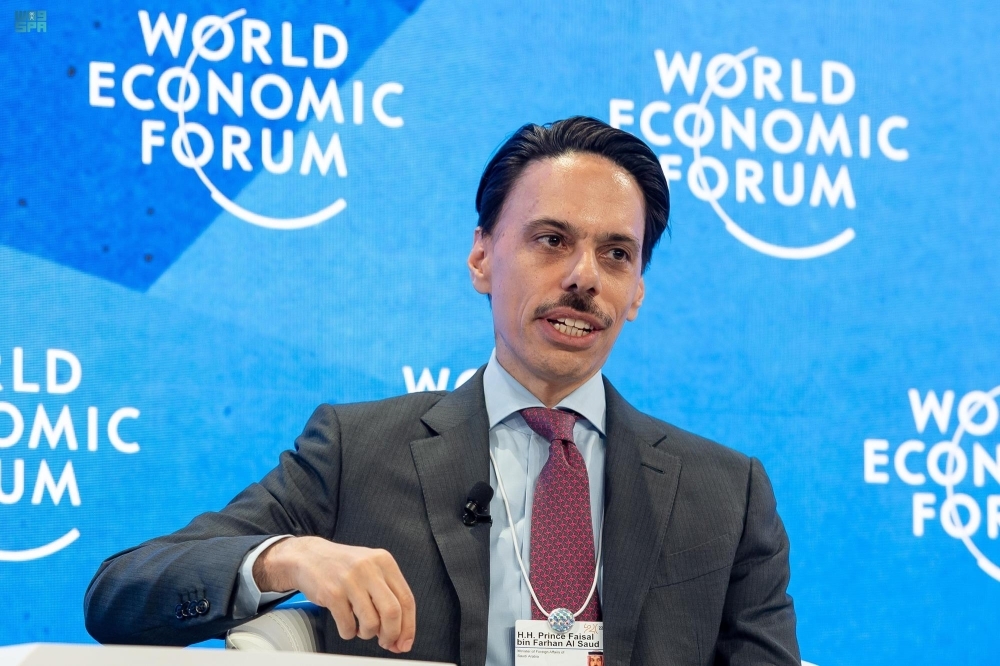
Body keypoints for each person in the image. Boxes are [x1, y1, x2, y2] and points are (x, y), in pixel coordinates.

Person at [84, 116, 800, 665]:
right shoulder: (358, 451)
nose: (584, 277)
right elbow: (119, 594)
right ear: (482, 256)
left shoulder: (725, 494)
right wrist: (288, 556)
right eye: (552, 240)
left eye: (616, 253)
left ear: (637, 290)